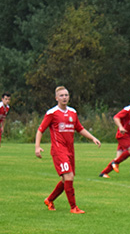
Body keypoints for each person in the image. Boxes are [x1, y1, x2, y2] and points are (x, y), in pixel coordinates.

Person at [35, 86, 101, 214]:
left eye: (66, 95)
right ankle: (73, 207)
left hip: (70, 150)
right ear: (56, 98)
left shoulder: (72, 112)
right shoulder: (52, 113)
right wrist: (37, 147)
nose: (64, 97)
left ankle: (49, 200)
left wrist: (92, 138)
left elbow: (79, 128)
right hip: (58, 149)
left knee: (66, 180)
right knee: (69, 176)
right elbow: (40, 129)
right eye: (61, 95)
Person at [98, 94, 130, 178]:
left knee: (119, 158)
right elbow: (116, 117)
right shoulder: (128, 110)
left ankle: (104, 173)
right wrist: (120, 127)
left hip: (129, 137)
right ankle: (115, 163)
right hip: (122, 135)